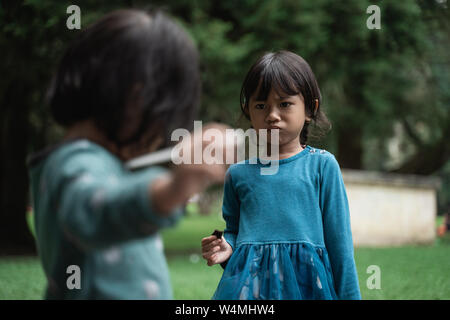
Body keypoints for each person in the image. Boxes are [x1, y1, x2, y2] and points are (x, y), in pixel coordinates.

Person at [27, 9, 230, 299]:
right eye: (163, 120)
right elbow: (98, 211)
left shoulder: (97, 162)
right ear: (136, 100)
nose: (160, 136)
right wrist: (173, 189)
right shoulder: (73, 163)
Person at [201, 51, 361, 300]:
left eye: (284, 104)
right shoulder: (237, 174)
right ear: (248, 111)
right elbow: (235, 230)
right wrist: (226, 246)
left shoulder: (322, 166)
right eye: (261, 105)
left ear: (310, 108)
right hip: (252, 291)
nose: (272, 115)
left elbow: (340, 246)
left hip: (308, 288)